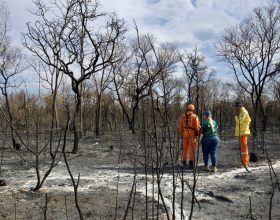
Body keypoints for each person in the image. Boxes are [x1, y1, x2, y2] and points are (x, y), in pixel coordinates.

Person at [179, 103, 200, 169]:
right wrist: (198, 132)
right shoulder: (195, 116)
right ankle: (191, 163)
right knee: (192, 149)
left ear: (187, 108)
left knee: (184, 149)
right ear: (193, 109)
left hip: (184, 133)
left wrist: (181, 134)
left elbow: (180, 127)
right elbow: (197, 126)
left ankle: (184, 162)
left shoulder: (182, 116)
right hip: (192, 134)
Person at [234, 101, 251, 168]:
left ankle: (245, 163)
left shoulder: (243, 112)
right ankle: (246, 161)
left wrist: (236, 116)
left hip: (243, 132)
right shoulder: (240, 111)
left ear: (240, 106)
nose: (236, 108)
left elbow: (239, 122)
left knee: (244, 148)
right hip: (241, 132)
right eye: (236, 106)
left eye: (237, 106)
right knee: (243, 148)